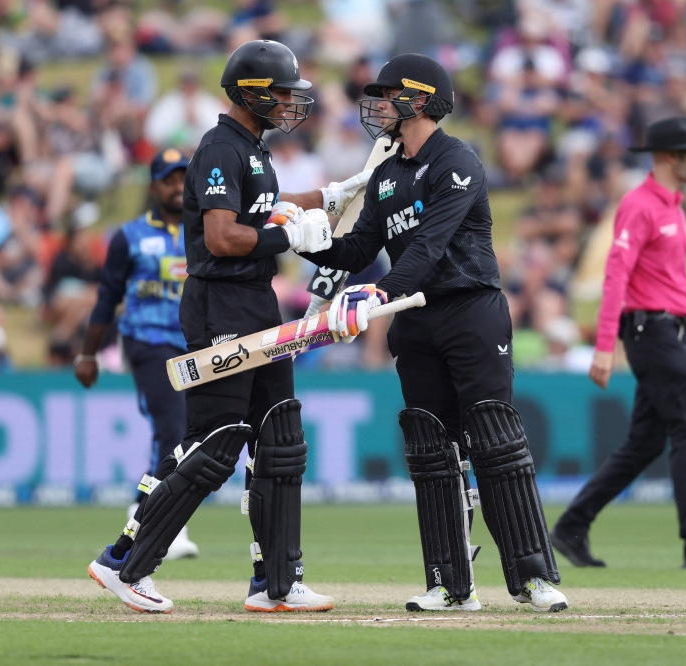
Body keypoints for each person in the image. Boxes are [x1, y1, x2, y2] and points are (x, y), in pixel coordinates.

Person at [88, 40, 370, 614]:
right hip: (221, 303)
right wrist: (287, 236)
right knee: (215, 440)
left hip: (253, 300)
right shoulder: (221, 147)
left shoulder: (251, 148)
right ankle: (125, 562)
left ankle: (276, 582)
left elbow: (262, 203)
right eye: (282, 93)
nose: (291, 103)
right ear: (251, 93)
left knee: (279, 437)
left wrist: (329, 195)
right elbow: (221, 237)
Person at [301, 53, 568, 613]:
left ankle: (533, 578)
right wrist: (308, 241)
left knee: (493, 439)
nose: (378, 105)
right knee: (431, 448)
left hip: (471, 310)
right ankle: (450, 583)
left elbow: (429, 245)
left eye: (388, 94)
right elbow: (360, 248)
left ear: (420, 100)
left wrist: (378, 293)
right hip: (415, 318)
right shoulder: (386, 175)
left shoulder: (457, 161)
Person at [551, 116, 686, 570]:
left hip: (668, 332)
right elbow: (616, 274)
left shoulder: (673, 205)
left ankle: (570, 526)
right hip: (651, 331)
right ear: (669, 156)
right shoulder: (640, 205)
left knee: (645, 443)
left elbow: (669, 279)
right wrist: (605, 344)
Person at [75, 149, 200, 563]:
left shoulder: (206, 231)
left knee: (193, 435)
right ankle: (157, 521)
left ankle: (144, 512)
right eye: (169, 180)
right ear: (154, 187)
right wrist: (87, 354)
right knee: (172, 429)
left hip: (197, 345)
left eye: (183, 178)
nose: (178, 187)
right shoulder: (129, 236)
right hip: (148, 342)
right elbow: (107, 297)